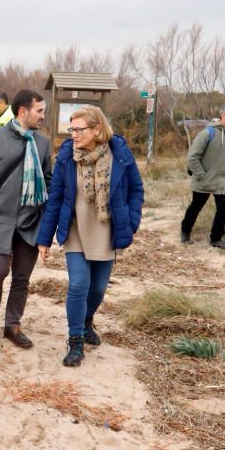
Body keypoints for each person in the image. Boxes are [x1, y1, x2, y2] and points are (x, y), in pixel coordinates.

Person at [36, 106, 144, 367]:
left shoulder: (119, 155)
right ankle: (75, 341)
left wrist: (131, 222)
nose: (73, 134)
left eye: (79, 129)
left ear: (97, 129)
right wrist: (44, 238)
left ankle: (86, 322)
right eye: (71, 129)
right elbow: (56, 199)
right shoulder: (66, 157)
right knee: (78, 285)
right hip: (75, 229)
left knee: (97, 289)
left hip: (107, 230)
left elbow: (136, 190)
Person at [0, 89, 51, 348]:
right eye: (39, 110)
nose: (43, 115)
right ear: (23, 111)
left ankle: (12, 325)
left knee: (21, 277)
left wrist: (46, 224)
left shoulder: (43, 143)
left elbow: (49, 181)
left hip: (30, 222)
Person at [180, 103, 225, 250]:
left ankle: (216, 238)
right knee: (196, 206)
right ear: (223, 115)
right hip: (204, 180)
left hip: (224, 181)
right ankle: (185, 231)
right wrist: (202, 175)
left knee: (224, 207)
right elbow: (192, 157)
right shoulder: (207, 133)